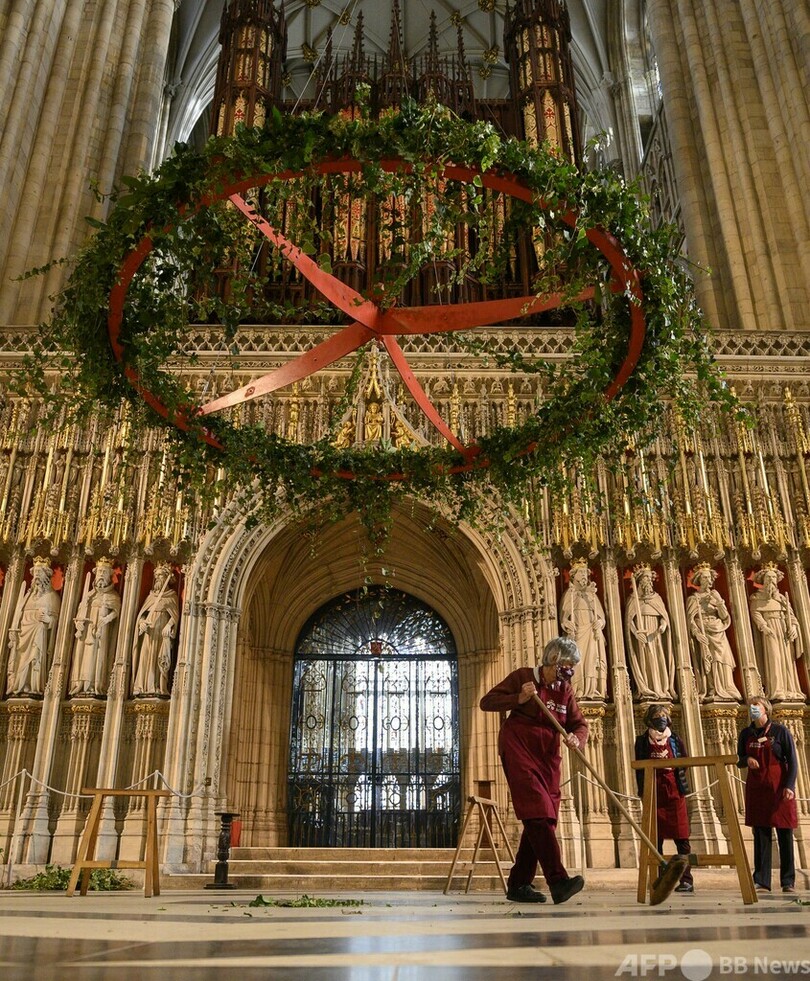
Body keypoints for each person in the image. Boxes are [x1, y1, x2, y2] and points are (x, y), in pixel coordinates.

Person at [480, 636, 588, 905]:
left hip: (548, 758)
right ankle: (558, 881)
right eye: (566, 666)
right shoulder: (523, 677)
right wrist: (519, 697)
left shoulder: (565, 689)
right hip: (519, 749)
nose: (568, 673)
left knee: (543, 819)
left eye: (572, 668)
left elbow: (580, 724)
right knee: (537, 812)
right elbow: (487, 702)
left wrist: (576, 738)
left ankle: (519, 883)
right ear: (552, 660)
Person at [737, 695, 798, 893]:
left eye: (756, 706)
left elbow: (793, 761)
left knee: (784, 833)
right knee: (761, 834)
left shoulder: (780, 731)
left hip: (779, 788)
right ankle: (762, 880)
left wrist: (790, 786)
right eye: (750, 706)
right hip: (758, 788)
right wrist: (747, 760)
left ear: (766, 709)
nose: (752, 709)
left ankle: (787, 881)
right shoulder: (746, 733)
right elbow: (739, 759)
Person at [634, 704, 694, 893]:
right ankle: (660, 879)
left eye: (663, 715)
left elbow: (684, 761)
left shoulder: (675, 739)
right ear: (649, 720)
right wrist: (643, 791)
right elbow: (639, 767)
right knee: (655, 839)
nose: (661, 719)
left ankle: (686, 879)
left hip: (674, 792)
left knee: (681, 838)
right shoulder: (642, 741)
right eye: (657, 716)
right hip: (654, 792)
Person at [6, 557, 62, 697]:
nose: (36, 575)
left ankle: (32, 686)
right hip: (23, 636)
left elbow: (58, 623)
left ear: (47, 575)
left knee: (35, 658)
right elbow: (18, 615)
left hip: (38, 636)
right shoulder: (27, 596)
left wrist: (49, 620)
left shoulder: (52, 597)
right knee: (19, 660)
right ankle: (18, 685)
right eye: (35, 572)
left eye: (39, 572)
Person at [686, 564, 742, 702]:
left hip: (718, 629)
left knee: (723, 657)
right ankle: (714, 689)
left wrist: (719, 603)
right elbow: (690, 619)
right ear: (699, 580)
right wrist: (697, 633)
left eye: (710, 578)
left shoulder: (715, 595)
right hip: (704, 631)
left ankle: (727, 687)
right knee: (710, 659)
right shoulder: (694, 598)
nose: (709, 581)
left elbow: (724, 616)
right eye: (705, 578)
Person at [748, 565, 803, 701]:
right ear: (763, 579)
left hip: (783, 629)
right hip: (770, 630)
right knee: (775, 658)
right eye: (768, 577)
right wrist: (764, 626)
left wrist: (793, 627)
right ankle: (777, 690)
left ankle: (790, 689)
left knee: (787, 659)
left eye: (773, 577)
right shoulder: (757, 597)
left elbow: (791, 616)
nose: (771, 580)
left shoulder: (782, 599)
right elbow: (755, 613)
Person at [69, 557, 121, 697]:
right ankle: (80, 684)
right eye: (99, 572)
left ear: (110, 575)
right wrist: (79, 625)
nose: (101, 575)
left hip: (101, 633)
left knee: (97, 657)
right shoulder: (89, 596)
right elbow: (80, 613)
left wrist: (106, 619)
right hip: (86, 634)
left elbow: (116, 611)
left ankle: (95, 685)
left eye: (104, 572)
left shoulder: (112, 596)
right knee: (82, 657)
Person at [625, 565, 676, 701]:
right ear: (640, 580)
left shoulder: (656, 598)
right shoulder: (633, 599)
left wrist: (663, 625)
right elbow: (629, 621)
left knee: (658, 659)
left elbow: (664, 616)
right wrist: (636, 633)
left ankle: (661, 688)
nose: (649, 580)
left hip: (655, 634)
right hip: (642, 636)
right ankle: (646, 688)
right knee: (645, 660)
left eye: (650, 577)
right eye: (646, 577)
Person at [560, 559, 608, 699]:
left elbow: (601, 617)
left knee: (592, 661)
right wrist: (566, 623)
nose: (584, 576)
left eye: (585, 573)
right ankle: (578, 689)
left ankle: (593, 689)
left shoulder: (592, 595)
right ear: (573, 575)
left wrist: (600, 622)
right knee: (578, 661)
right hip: (577, 632)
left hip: (592, 632)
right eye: (580, 572)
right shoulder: (569, 594)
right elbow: (563, 617)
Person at [131, 564, 178, 697]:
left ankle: (157, 685)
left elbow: (175, 616)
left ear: (167, 577)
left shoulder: (172, 596)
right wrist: (141, 623)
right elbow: (143, 614)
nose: (157, 578)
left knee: (159, 658)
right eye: (156, 575)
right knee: (145, 657)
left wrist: (169, 625)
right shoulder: (151, 597)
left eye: (160, 575)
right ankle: (141, 686)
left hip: (162, 633)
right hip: (149, 632)